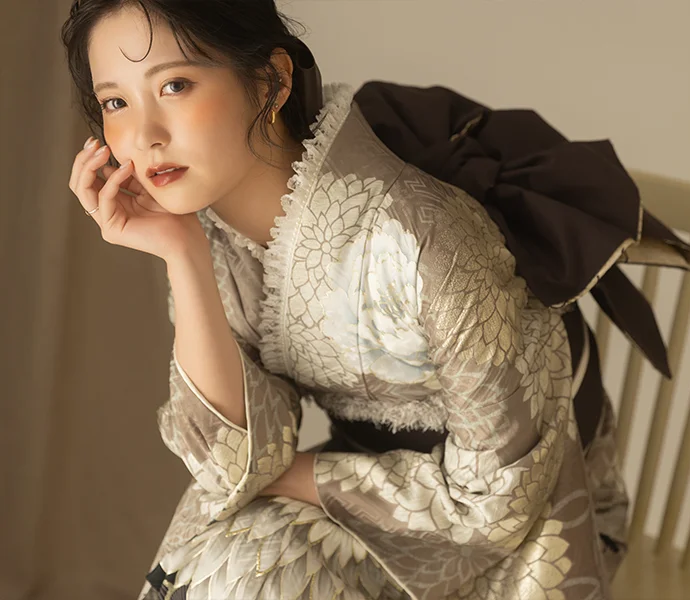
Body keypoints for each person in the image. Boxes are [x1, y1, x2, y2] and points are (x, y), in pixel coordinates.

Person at [62, 1, 647, 598]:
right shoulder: (213, 237)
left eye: (175, 85)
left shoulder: (425, 236)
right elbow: (231, 466)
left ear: (270, 81)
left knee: (254, 576)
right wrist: (183, 255)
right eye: (116, 103)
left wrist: (300, 476)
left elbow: (499, 500)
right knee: (219, 565)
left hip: (534, 525)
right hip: (379, 496)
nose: (144, 136)